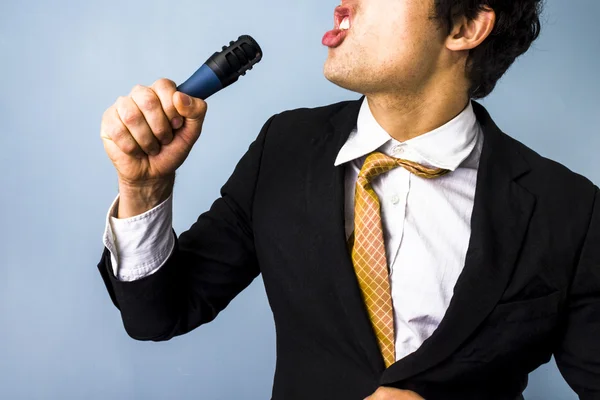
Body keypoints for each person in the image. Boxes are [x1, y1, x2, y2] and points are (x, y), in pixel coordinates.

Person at [97, 0, 600, 399]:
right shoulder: (283, 147)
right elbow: (156, 315)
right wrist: (144, 190)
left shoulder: (570, 210)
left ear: (466, 26)